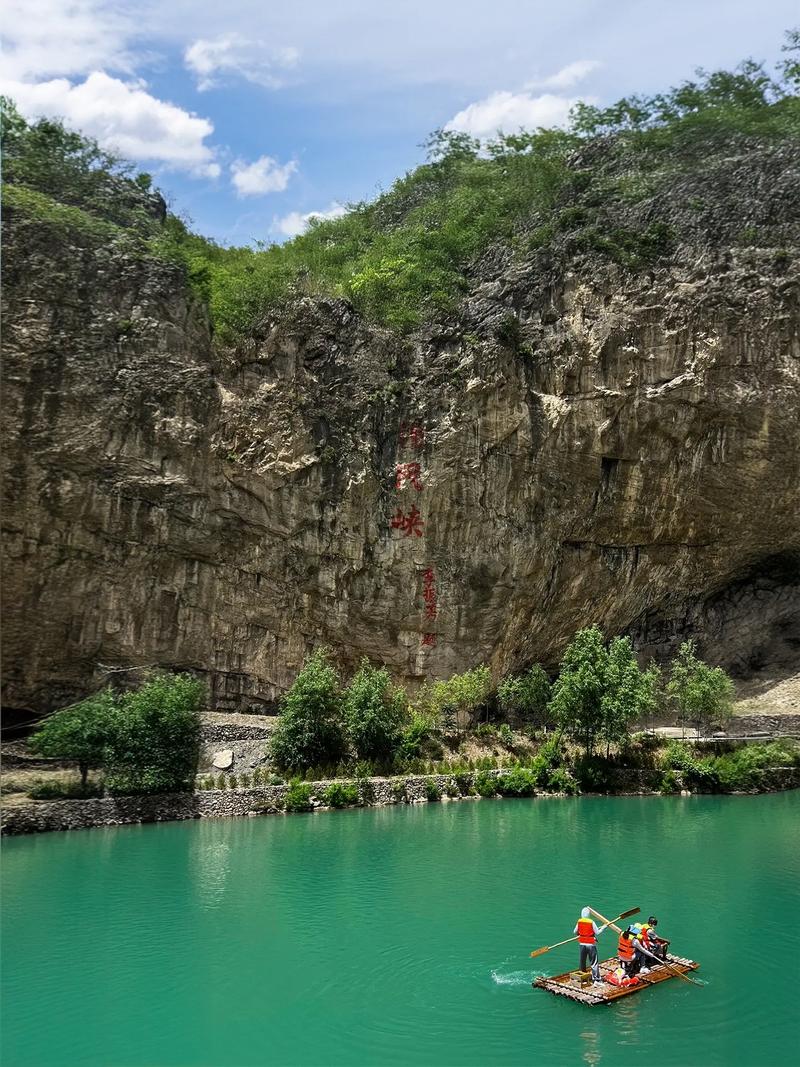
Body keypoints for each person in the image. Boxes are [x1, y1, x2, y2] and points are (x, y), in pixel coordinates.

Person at [574, 907, 603, 983]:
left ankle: (582, 976)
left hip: (582, 944)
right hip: (590, 944)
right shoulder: (591, 922)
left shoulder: (579, 921)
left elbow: (575, 932)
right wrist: (603, 928)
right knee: (594, 962)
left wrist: (580, 933)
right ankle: (596, 979)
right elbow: (597, 932)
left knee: (582, 961)